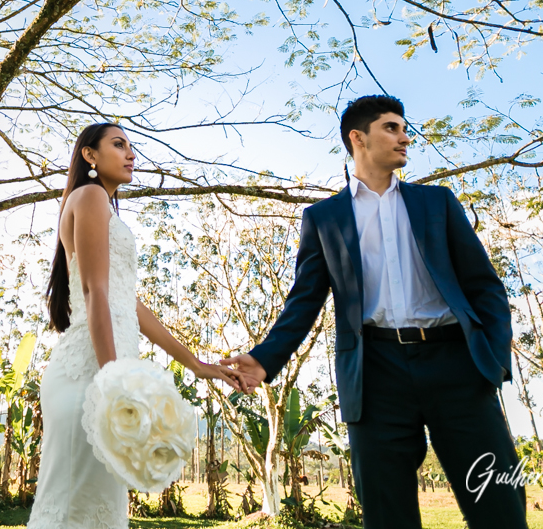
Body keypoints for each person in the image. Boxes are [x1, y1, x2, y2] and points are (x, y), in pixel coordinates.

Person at [223, 95, 527, 529]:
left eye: (404, 128)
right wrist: (265, 358)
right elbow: (305, 299)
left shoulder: (437, 203)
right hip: (375, 374)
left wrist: (493, 361)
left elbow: (484, 287)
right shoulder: (324, 218)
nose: (405, 137)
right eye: (392, 127)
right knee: (387, 515)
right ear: (358, 138)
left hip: (456, 365)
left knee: (498, 505)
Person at [27, 122, 248, 529]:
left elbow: (128, 303)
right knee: (76, 506)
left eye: (132, 146)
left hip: (110, 365)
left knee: (98, 506)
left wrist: (195, 364)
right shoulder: (90, 195)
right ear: (89, 156)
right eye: (118, 145)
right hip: (91, 371)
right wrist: (114, 378)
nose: (131, 154)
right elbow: (94, 293)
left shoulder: (102, 207)